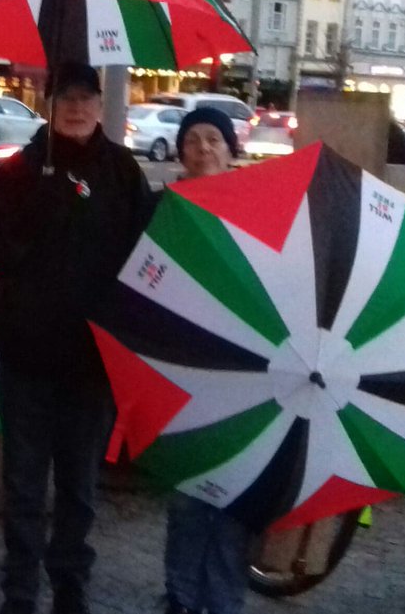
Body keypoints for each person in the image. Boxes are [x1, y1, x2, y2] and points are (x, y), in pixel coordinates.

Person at [0, 62, 152, 614]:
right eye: (65, 98)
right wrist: (31, 235)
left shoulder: (121, 172)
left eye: (85, 98)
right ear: (50, 104)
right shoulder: (23, 169)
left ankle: (70, 586)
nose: (76, 108)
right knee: (24, 489)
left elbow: (148, 255)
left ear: (99, 106)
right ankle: (20, 592)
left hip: (91, 363)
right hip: (28, 356)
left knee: (78, 490)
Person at [161, 108, 253, 614]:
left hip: (242, 377)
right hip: (181, 373)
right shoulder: (163, 210)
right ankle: (180, 596)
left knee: (234, 502)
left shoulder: (252, 214)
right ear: (180, 152)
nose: (202, 148)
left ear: (230, 149)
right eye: (192, 140)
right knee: (187, 500)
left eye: (213, 139)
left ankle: (222, 602)